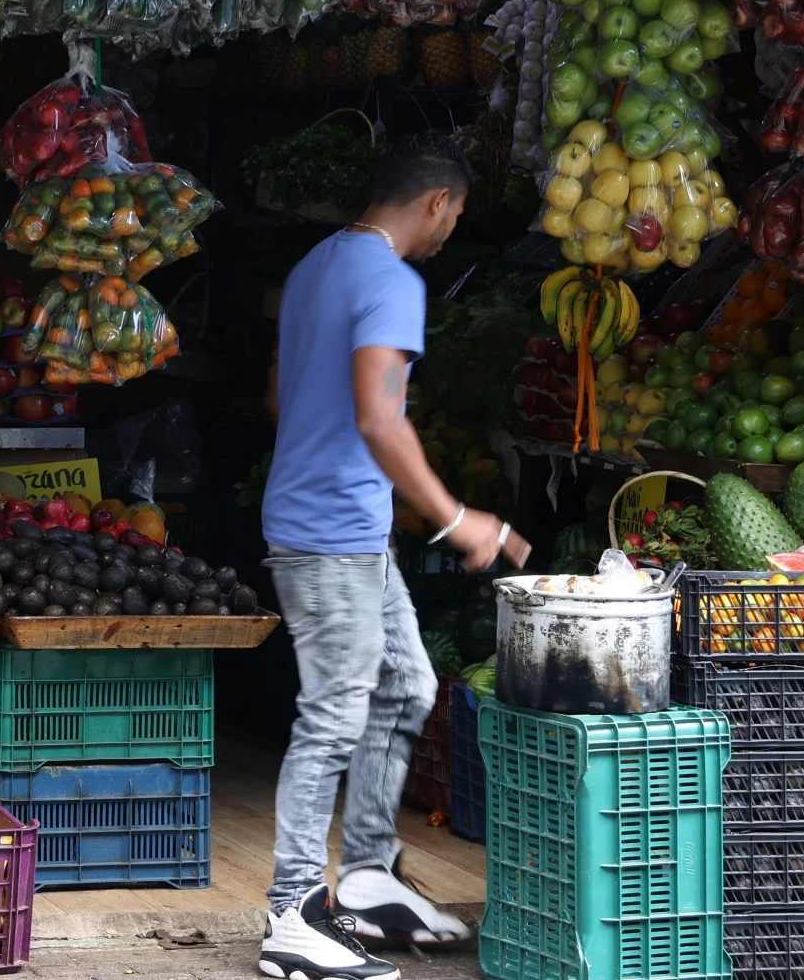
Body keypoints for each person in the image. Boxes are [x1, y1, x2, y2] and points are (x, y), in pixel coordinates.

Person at [256, 131, 531, 980]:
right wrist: (458, 520)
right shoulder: (392, 280)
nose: (451, 231)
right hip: (331, 533)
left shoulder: (317, 263)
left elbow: (277, 394)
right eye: (455, 216)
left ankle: (368, 876)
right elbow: (381, 417)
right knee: (335, 712)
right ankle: (292, 913)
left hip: (340, 525)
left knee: (407, 684)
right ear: (439, 202)